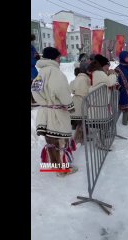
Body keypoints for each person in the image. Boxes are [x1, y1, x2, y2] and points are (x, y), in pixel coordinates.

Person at [31, 47, 78, 176]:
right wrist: (69, 106)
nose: (60, 60)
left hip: (45, 113)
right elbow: (61, 91)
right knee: (60, 141)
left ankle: (55, 166)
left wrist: (45, 103)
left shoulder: (41, 73)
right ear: (54, 58)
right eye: (58, 57)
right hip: (57, 114)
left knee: (51, 141)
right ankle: (62, 170)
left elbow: (34, 91)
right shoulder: (55, 73)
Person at [70, 62, 91, 145]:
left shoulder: (75, 79)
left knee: (76, 123)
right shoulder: (87, 79)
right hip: (83, 103)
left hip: (74, 102)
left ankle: (75, 139)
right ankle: (80, 139)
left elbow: (71, 89)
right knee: (83, 122)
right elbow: (89, 90)